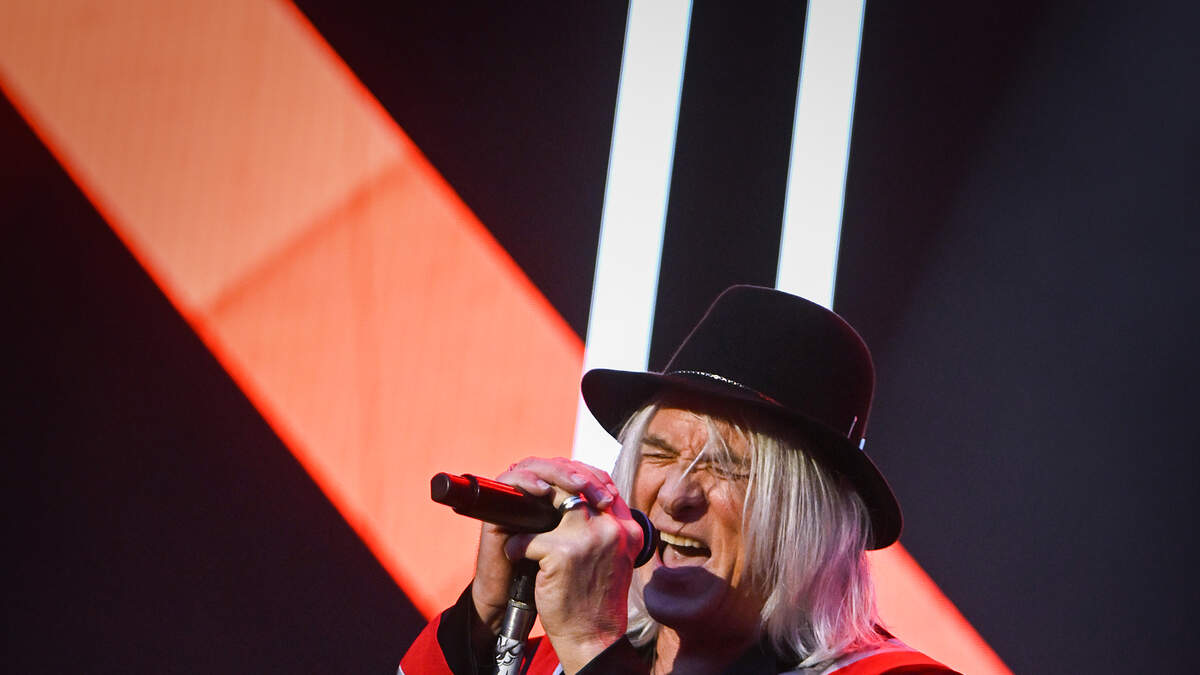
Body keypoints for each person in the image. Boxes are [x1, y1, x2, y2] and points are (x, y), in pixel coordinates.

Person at [401, 285, 958, 674]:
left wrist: (593, 647)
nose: (673, 496)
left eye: (725, 467)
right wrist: (482, 620)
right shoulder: (547, 661)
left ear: (813, 517)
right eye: (659, 455)